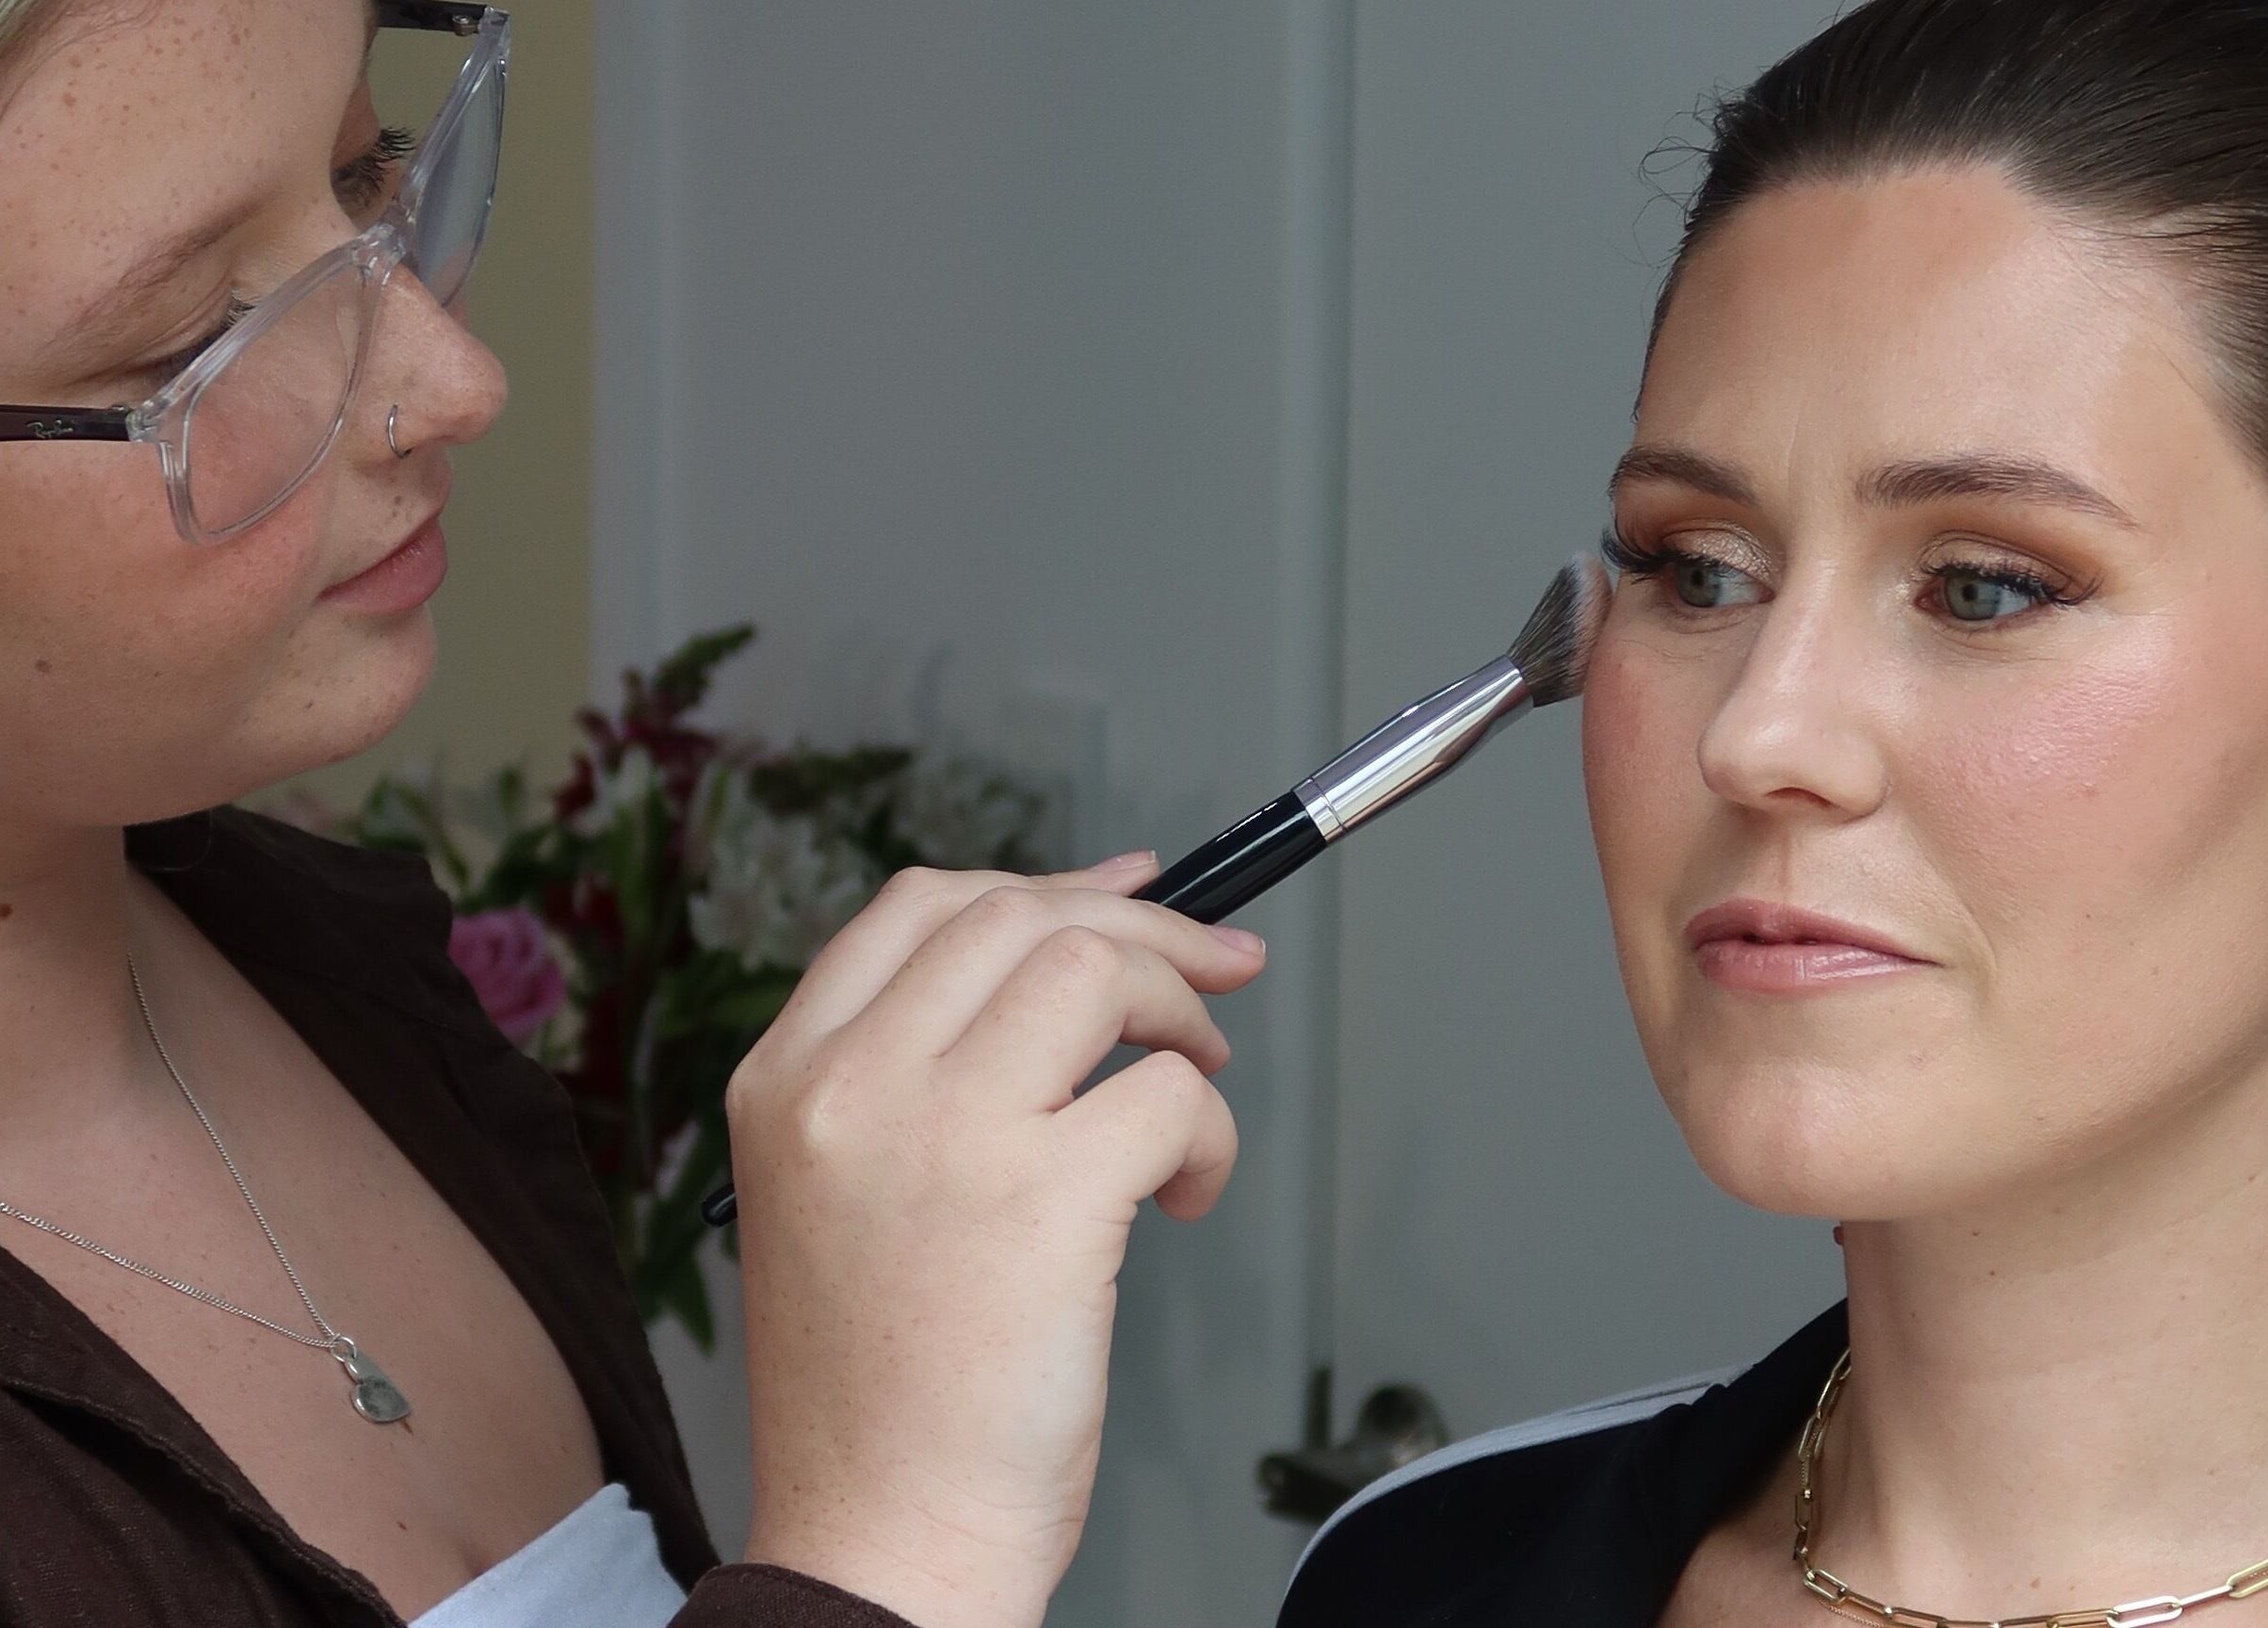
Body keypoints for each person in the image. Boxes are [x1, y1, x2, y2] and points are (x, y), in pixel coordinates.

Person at [713, 1, 2268, 1625]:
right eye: (1700, 570)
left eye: (1985, 587)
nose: (1758, 733)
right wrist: (884, 1560)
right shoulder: (1418, 1581)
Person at [0, 3, 1259, 1625]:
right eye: (198, 340)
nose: (455, 379)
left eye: (369, 172)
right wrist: (887, 1555)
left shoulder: (338, 967)